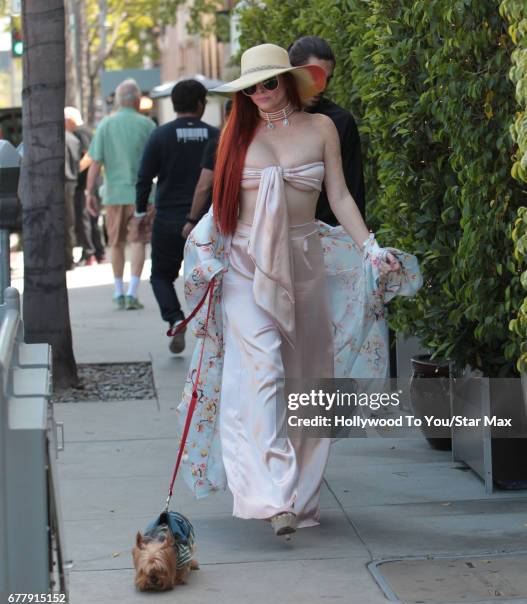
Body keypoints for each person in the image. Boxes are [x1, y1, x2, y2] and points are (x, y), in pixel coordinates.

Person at [174, 44, 421, 538]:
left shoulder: (323, 128)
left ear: (289, 82)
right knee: (262, 372)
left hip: (304, 260)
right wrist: (205, 257)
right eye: (252, 86)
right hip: (246, 266)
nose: (261, 93)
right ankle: (271, 496)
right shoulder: (237, 135)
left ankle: (300, 496)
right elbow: (221, 210)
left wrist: (371, 249)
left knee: (310, 382)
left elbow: (340, 196)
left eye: (270, 83)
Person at [135, 79, 219, 352]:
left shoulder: (160, 135)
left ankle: (175, 318)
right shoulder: (216, 136)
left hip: (169, 218)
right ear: (200, 104)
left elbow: (144, 178)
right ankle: (214, 329)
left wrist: (139, 212)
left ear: (173, 105)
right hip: (207, 220)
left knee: (161, 275)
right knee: (212, 276)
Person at [86, 79, 156, 310]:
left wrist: (90, 193)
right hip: (143, 195)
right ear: (137, 100)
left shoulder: (106, 125)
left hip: (114, 194)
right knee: (138, 242)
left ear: (117, 101)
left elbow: (95, 163)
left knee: (115, 243)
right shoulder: (147, 125)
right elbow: (159, 161)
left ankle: (118, 291)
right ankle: (132, 292)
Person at [288, 36, 366, 223]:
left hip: (329, 236)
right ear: (291, 72)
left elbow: (351, 192)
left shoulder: (340, 121)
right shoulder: (266, 119)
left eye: (327, 79)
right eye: (314, 77)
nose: (321, 87)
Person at [181, 100, 232, 240]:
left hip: (223, 217)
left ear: (226, 116)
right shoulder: (260, 140)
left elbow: (204, 186)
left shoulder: (219, 143)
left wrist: (192, 220)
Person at [64, 107, 106, 266]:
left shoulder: (81, 132)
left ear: (70, 120)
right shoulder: (82, 131)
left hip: (87, 183)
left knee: (86, 218)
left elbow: (90, 156)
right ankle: (94, 252)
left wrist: (75, 170)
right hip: (86, 182)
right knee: (89, 218)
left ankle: (91, 253)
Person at [64, 111, 82, 270]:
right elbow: (77, 163)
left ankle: (66, 259)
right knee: (69, 221)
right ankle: (68, 260)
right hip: (69, 182)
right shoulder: (72, 139)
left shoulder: (52, 137)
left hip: (59, 182)